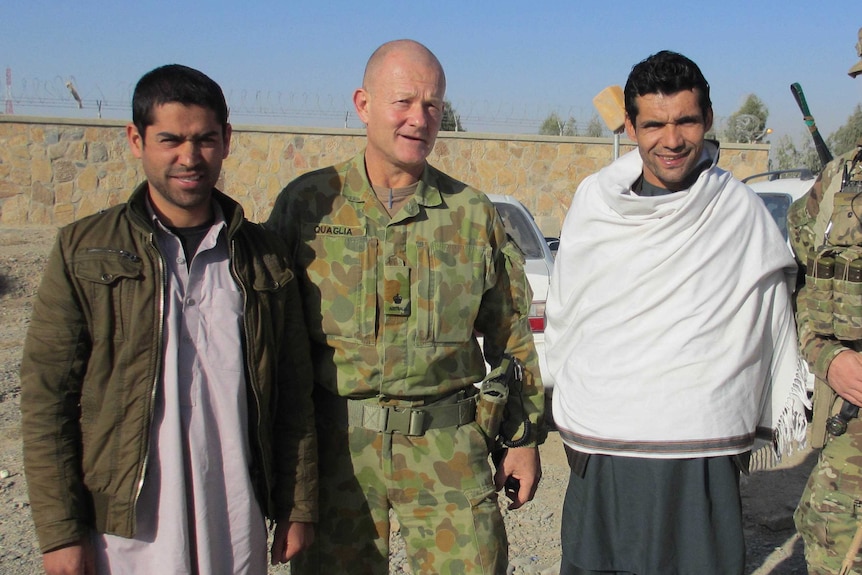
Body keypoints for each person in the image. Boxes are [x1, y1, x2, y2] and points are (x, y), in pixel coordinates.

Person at [20, 64, 317, 575]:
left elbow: (293, 391)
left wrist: (298, 505)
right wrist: (61, 532)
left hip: (234, 518)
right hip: (127, 532)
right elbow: (48, 400)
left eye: (204, 139)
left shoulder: (263, 258)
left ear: (226, 140)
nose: (189, 157)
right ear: (136, 140)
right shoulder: (82, 251)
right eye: (170, 140)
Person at [266, 39, 545, 575]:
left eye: (433, 105)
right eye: (403, 102)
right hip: (337, 451)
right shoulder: (307, 205)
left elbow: (511, 335)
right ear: (363, 104)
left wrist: (523, 438)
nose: (419, 118)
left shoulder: (471, 214)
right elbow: (275, 342)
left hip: (447, 446)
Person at [545, 50, 808, 575]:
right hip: (604, 447)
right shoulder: (596, 205)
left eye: (686, 120)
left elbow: (773, 307)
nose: (671, 139)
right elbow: (568, 313)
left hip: (701, 453)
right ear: (630, 126)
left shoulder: (738, 211)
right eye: (654, 124)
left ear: (708, 120)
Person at [791, 27, 862, 575]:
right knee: (826, 532)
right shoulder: (837, 183)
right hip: (853, 428)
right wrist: (829, 359)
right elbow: (808, 294)